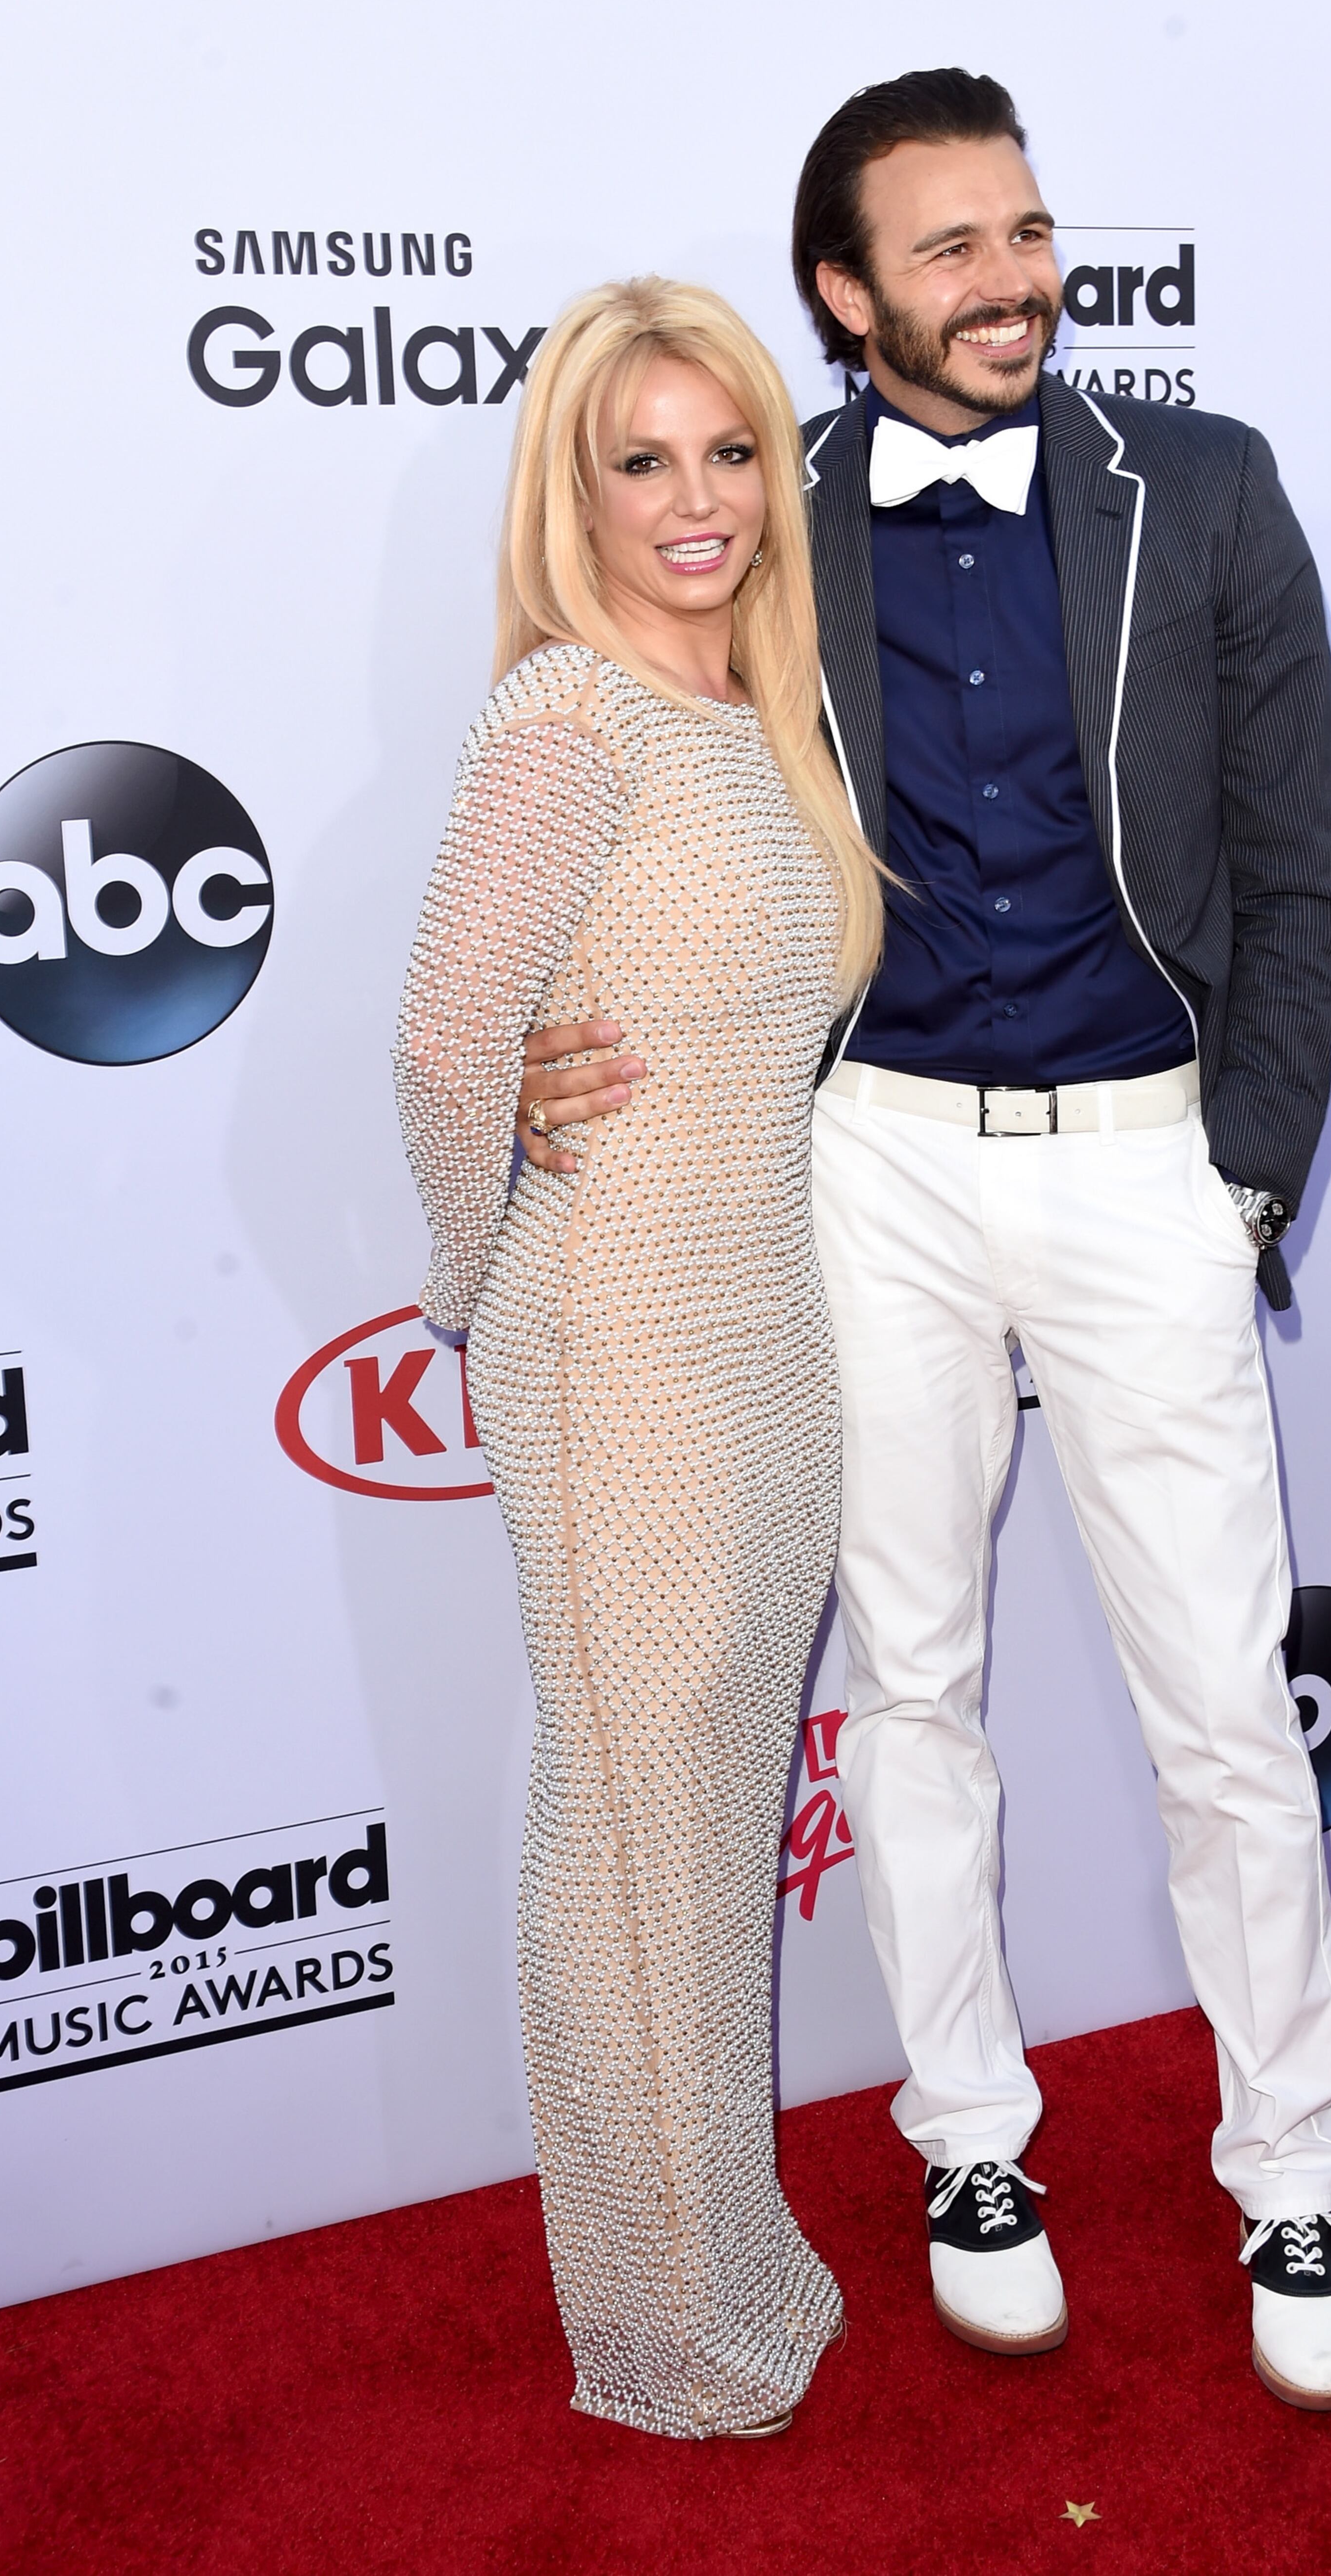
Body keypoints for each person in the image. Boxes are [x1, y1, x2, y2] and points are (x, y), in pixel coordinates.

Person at [515, 69, 1331, 2412]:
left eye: (1027, 231)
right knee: (910, 1681)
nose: (1011, 281)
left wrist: (1241, 1167)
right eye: (952, 250)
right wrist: (523, 1044)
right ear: (845, 292)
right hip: (868, 1158)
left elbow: (1306, 868)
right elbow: (606, 770)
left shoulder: (1202, 486)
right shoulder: (765, 513)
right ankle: (971, 2144)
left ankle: (1291, 2169)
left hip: (1143, 1152)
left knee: (1228, 1702)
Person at [394, 276, 884, 2439]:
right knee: (628, 1832)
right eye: (644, 459)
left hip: (762, 1328)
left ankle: (728, 2243)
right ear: (573, 493)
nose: (699, 499)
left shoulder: (754, 711)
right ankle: (661, 2326)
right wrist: (471, 1255)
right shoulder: (568, 717)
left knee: (698, 1820)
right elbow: (444, 1036)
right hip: (614, 1348)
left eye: (732, 451)